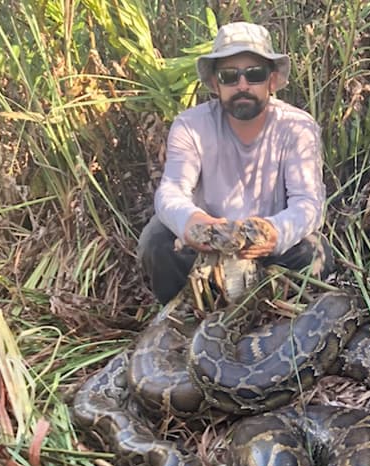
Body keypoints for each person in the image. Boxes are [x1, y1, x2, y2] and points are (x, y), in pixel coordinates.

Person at [138, 22, 329, 303]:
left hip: (270, 255)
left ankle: (290, 329)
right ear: (216, 84)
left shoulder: (298, 127)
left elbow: (309, 203)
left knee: (315, 250)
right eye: (229, 76)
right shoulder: (191, 126)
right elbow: (171, 192)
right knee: (156, 238)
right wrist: (192, 223)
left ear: (272, 81)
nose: (242, 85)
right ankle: (183, 321)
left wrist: (275, 233)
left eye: (254, 74)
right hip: (207, 254)